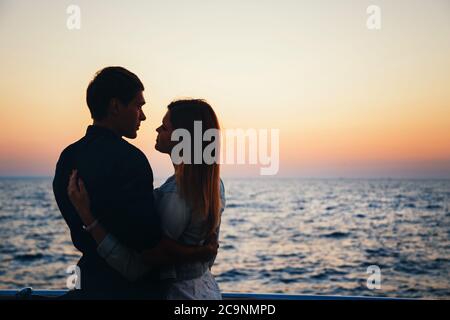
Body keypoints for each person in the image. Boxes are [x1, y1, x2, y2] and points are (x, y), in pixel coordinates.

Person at [53, 67, 217, 299]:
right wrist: (202, 252)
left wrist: (89, 219)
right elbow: (152, 250)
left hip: (88, 284)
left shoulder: (67, 158)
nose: (143, 116)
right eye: (138, 106)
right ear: (115, 107)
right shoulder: (130, 161)